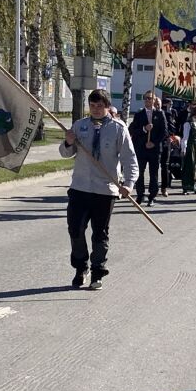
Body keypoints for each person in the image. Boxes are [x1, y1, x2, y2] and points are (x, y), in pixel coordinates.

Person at [60, 89, 138, 290]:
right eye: (92, 105)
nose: (95, 109)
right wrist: (68, 142)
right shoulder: (80, 126)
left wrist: (128, 184)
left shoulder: (118, 128)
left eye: (99, 106)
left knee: (100, 233)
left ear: (107, 106)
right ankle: (80, 267)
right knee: (75, 229)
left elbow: (130, 160)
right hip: (80, 187)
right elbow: (65, 153)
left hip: (105, 189)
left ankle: (97, 271)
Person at [130, 91, 169, 206]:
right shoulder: (139, 114)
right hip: (141, 149)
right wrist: (144, 129)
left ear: (154, 100)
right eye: (145, 98)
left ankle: (152, 196)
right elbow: (133, 130)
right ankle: (140, 195)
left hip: (154, 149)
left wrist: (154, 143)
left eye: (150, 98)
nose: (147, 100)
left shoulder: (160, 114)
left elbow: (164, 132)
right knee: (140, 173)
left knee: (153, 174)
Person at [181, 104, 196, 195]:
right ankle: (186, 187)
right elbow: (185, 137)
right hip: (190, 147)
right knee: (189, 167)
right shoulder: (188, 123)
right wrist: (184, 148)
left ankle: (195, 186)